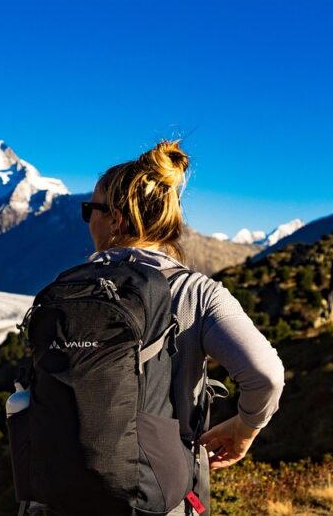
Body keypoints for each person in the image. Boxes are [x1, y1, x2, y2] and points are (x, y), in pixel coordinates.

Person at [81, 138, 286, 515]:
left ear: (117, 219)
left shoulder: (67, 292)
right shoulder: (195, 292)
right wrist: (244, 428)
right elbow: (267, 376)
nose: (87, 220)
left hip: (64, 492)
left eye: (89, 209)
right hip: (157, 493)